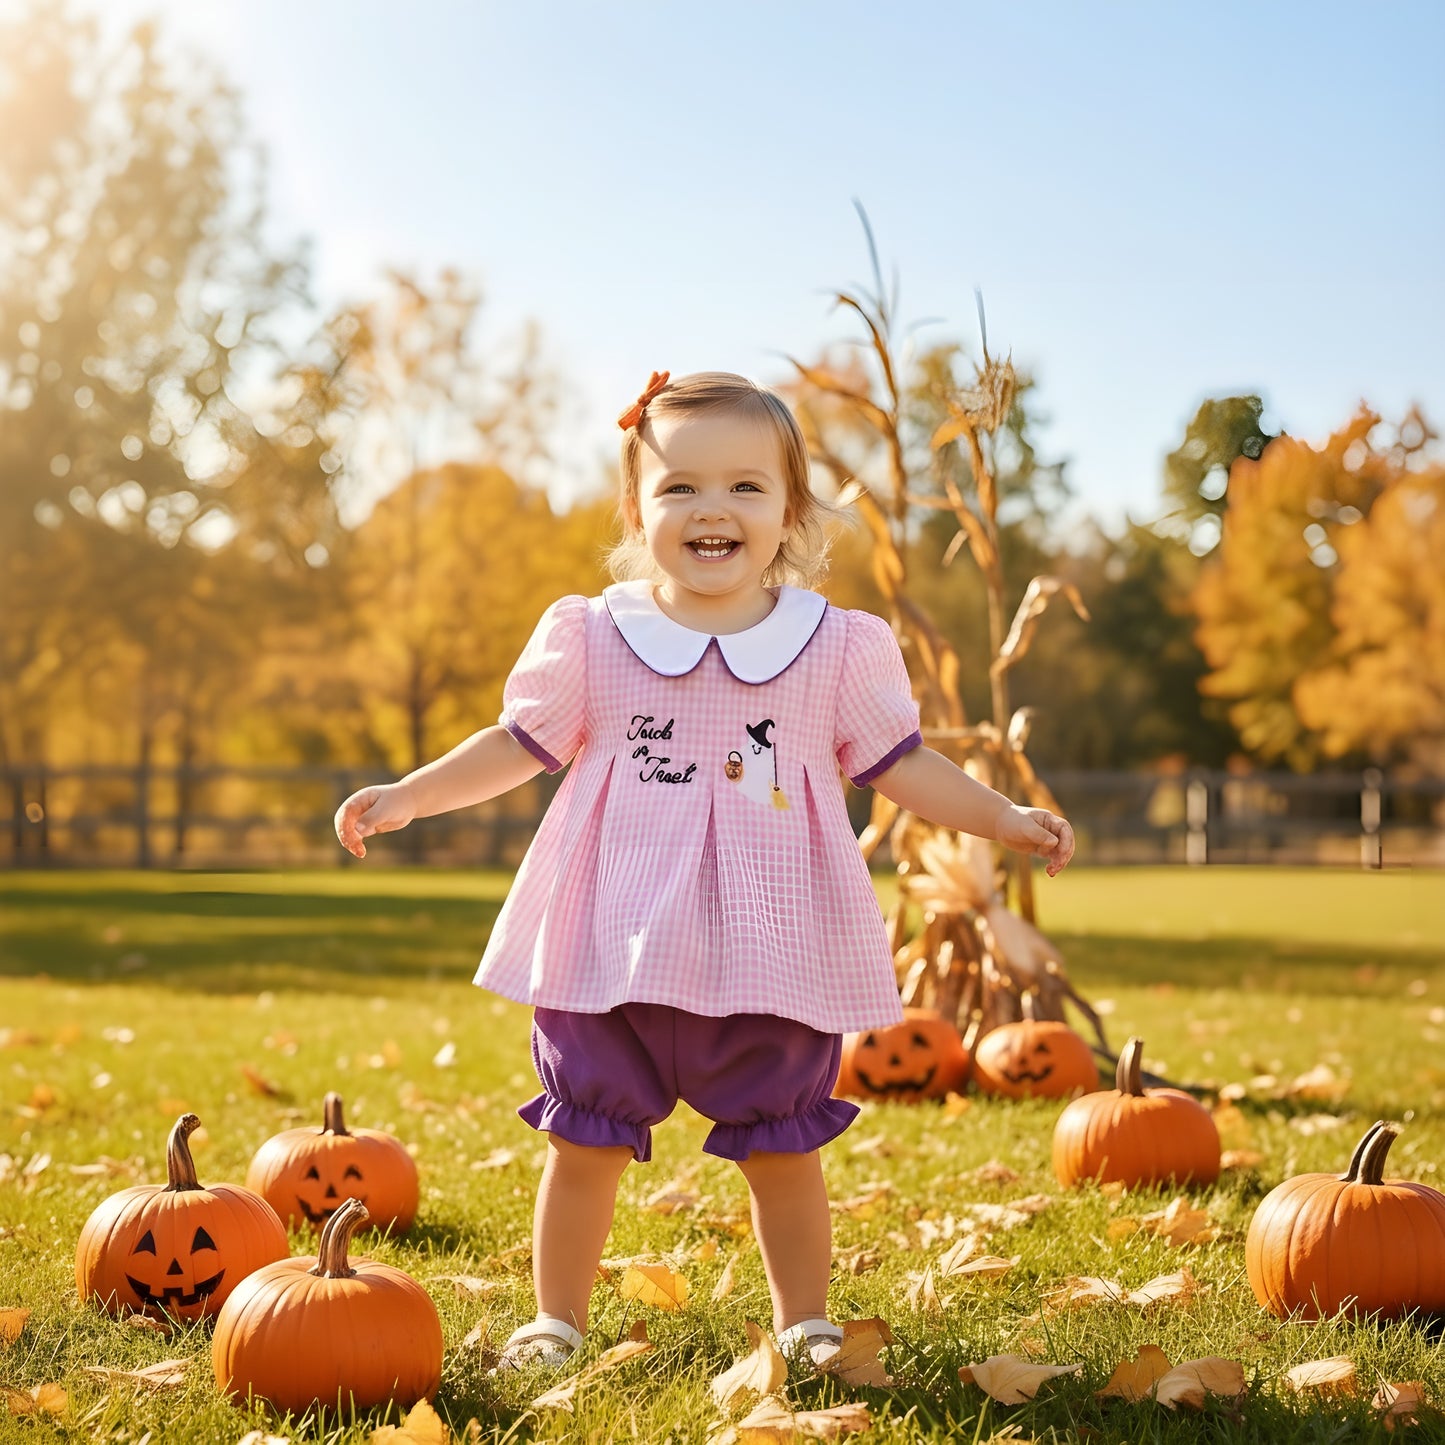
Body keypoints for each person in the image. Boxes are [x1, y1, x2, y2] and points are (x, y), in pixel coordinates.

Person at [334, 369, 1075, 1372]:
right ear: (637, 509)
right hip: (612, 944)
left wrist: (1000, 816)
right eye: (679, 487)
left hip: (769, 943)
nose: (710, 508)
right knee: (582, 1140)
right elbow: (517, 743)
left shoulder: (833, 647)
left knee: (782, 1145)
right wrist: (412, 793)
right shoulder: (594, 635)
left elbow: (899, 764)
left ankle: (804, 1320)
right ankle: (555, 1320)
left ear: (789, 511)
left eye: (743, 486)